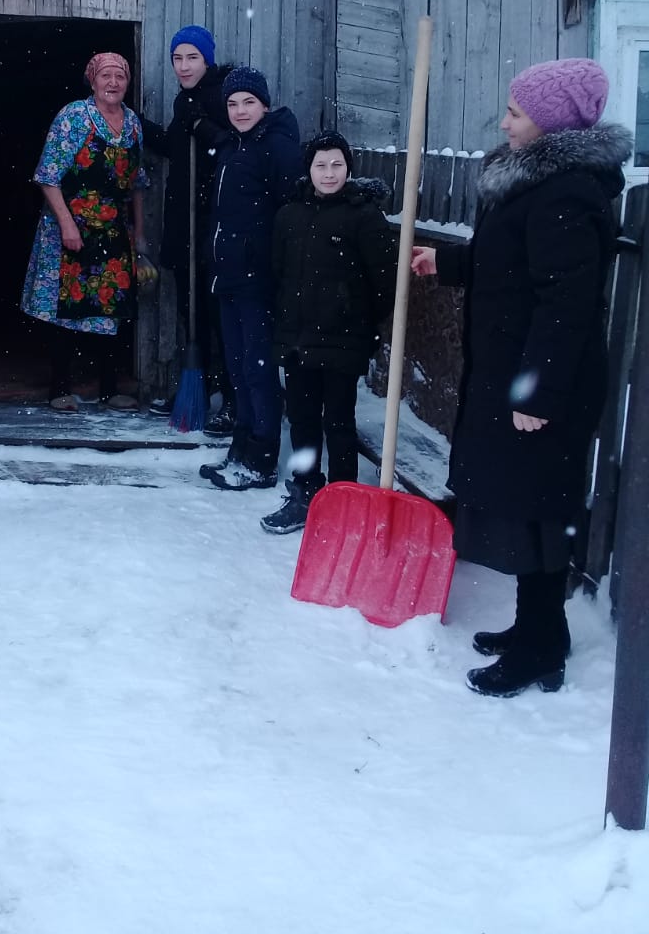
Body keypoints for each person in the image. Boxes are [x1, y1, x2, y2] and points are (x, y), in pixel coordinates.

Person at [411, 59, 631, 698]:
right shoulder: (539, 183)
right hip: (519, 378)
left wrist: (538, 392)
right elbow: (509, 259)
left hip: (542, 386)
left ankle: (540, 649)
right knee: (530, 508)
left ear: (552, 122)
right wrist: (447, 262)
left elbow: (566, 303)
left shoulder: (566, 193)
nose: (504, 122)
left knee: (540, 513)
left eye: (516, 112)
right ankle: (539, 630)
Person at [261, 132, 397, 533]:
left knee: (339, 421)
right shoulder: (289, 215)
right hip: (298, 339)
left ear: (348, 168)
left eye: (337, 164)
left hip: (344, 340)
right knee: (302, 418)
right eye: (320, 165)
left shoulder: (365, 217)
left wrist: (361, 323)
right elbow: (278, 273)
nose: (329, 173)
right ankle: (305, 492)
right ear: (309, 169)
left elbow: (384, 282)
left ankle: (342, 499)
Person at [21, 52, 148, 410]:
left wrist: (139, 233)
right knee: (67, 305)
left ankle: (109, 389)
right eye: (105, 76)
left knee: (111, 305)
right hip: (71, 226)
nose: (113, 83)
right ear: (92, 81)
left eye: (120, 76)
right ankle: (59, 388)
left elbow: (137, 184)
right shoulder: (74, 116)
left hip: (113, 229)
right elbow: (47, 176)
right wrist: (66, 225)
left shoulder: (133, 123)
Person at [200, 66, 302, 490]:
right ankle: (241, 449)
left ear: (264, 104)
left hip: (257, 280)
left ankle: (262, 459)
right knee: (239, 368)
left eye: (248, 102)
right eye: (232, 103)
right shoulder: (234, 146)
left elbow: (291, 217)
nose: (240, 110)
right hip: (228, 277)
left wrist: (277, 272)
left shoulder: (278, 148)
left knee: (258, 370)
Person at [140, 25, 236, 433]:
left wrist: (204, 127)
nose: (183, 66)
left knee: (220, 317)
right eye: (177, 58)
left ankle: (233, 400)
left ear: (207, 60)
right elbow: (175, 148)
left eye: (192, 57)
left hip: (213, 223)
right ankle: (196, 388)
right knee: (188, 313)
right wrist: (137, 123)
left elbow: (233, 148)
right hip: (184, 223)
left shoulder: (223, 97)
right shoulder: (185, 101)